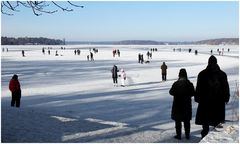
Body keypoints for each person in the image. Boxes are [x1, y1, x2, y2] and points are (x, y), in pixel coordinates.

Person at [195, 55, 230, 139]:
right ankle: (214, 139)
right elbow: (226, 87)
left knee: (205, 123)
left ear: (208, 62)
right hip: (218, 102)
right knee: (217, 123)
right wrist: (226, 97)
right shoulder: (222, 74)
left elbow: (198, 88)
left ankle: (204, 138)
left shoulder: (202, 74)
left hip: (205, 102)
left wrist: (198, 98)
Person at [169, 69, 195, 140]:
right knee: (187, 122)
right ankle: (187, 135)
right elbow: (193, 93)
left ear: (179, 75)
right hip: (187, 105)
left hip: (177, 105)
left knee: (178, 121)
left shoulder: (176, 84)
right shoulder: (189, 84)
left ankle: (179, 135)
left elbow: (171, 92)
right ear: (186, 75)